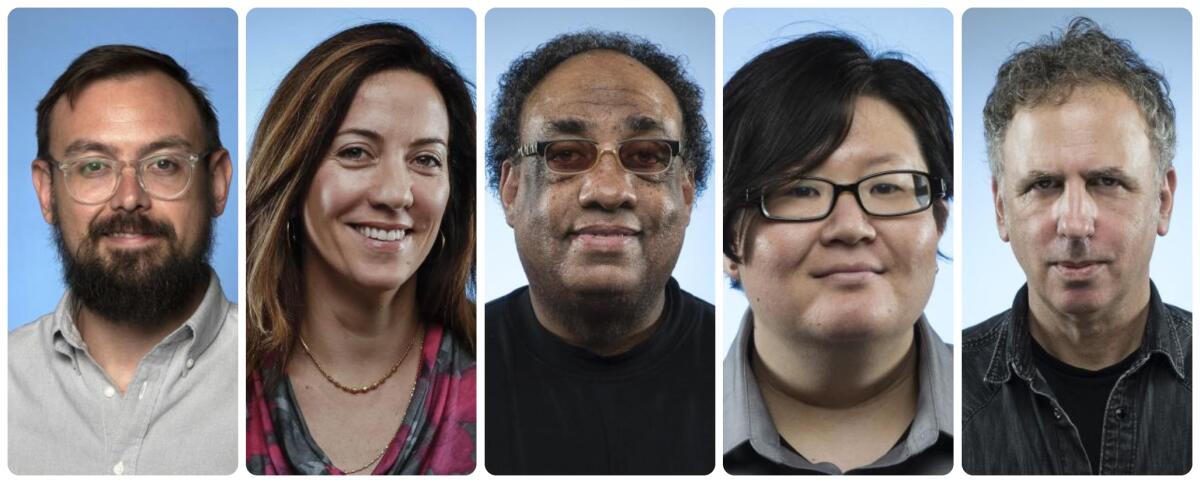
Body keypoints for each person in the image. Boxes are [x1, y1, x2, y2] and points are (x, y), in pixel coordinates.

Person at [244, 23, 476, 475]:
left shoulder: (502, 378)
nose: (395, 193)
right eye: (355, 153)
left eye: (426, 160)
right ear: (293, 176)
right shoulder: (220, 376)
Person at [963, 17, 1190, 475]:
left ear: (1163, 201)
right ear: (1001, 208)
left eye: (1107, 181)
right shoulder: (954, 394)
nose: (1074, 224)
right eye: (1043, 184)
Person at [721, 33, 954, 475]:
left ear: (937, 224)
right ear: (729, 243)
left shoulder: (1003, 412)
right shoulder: (669, 429)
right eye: (802, 190)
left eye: (886, 187)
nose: (850, 227)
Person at [484, 30, 714, 475]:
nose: (609, 189)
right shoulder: (450, 364)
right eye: (566, 155)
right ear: (510, 191)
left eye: (647, 156)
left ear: (686, 194)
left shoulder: (739, 374)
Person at [8, 45, 235, 475]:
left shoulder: (275, 371)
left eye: (164, 163)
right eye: (93, 166)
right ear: (46, 192)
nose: (129, 199)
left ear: (218, 183)